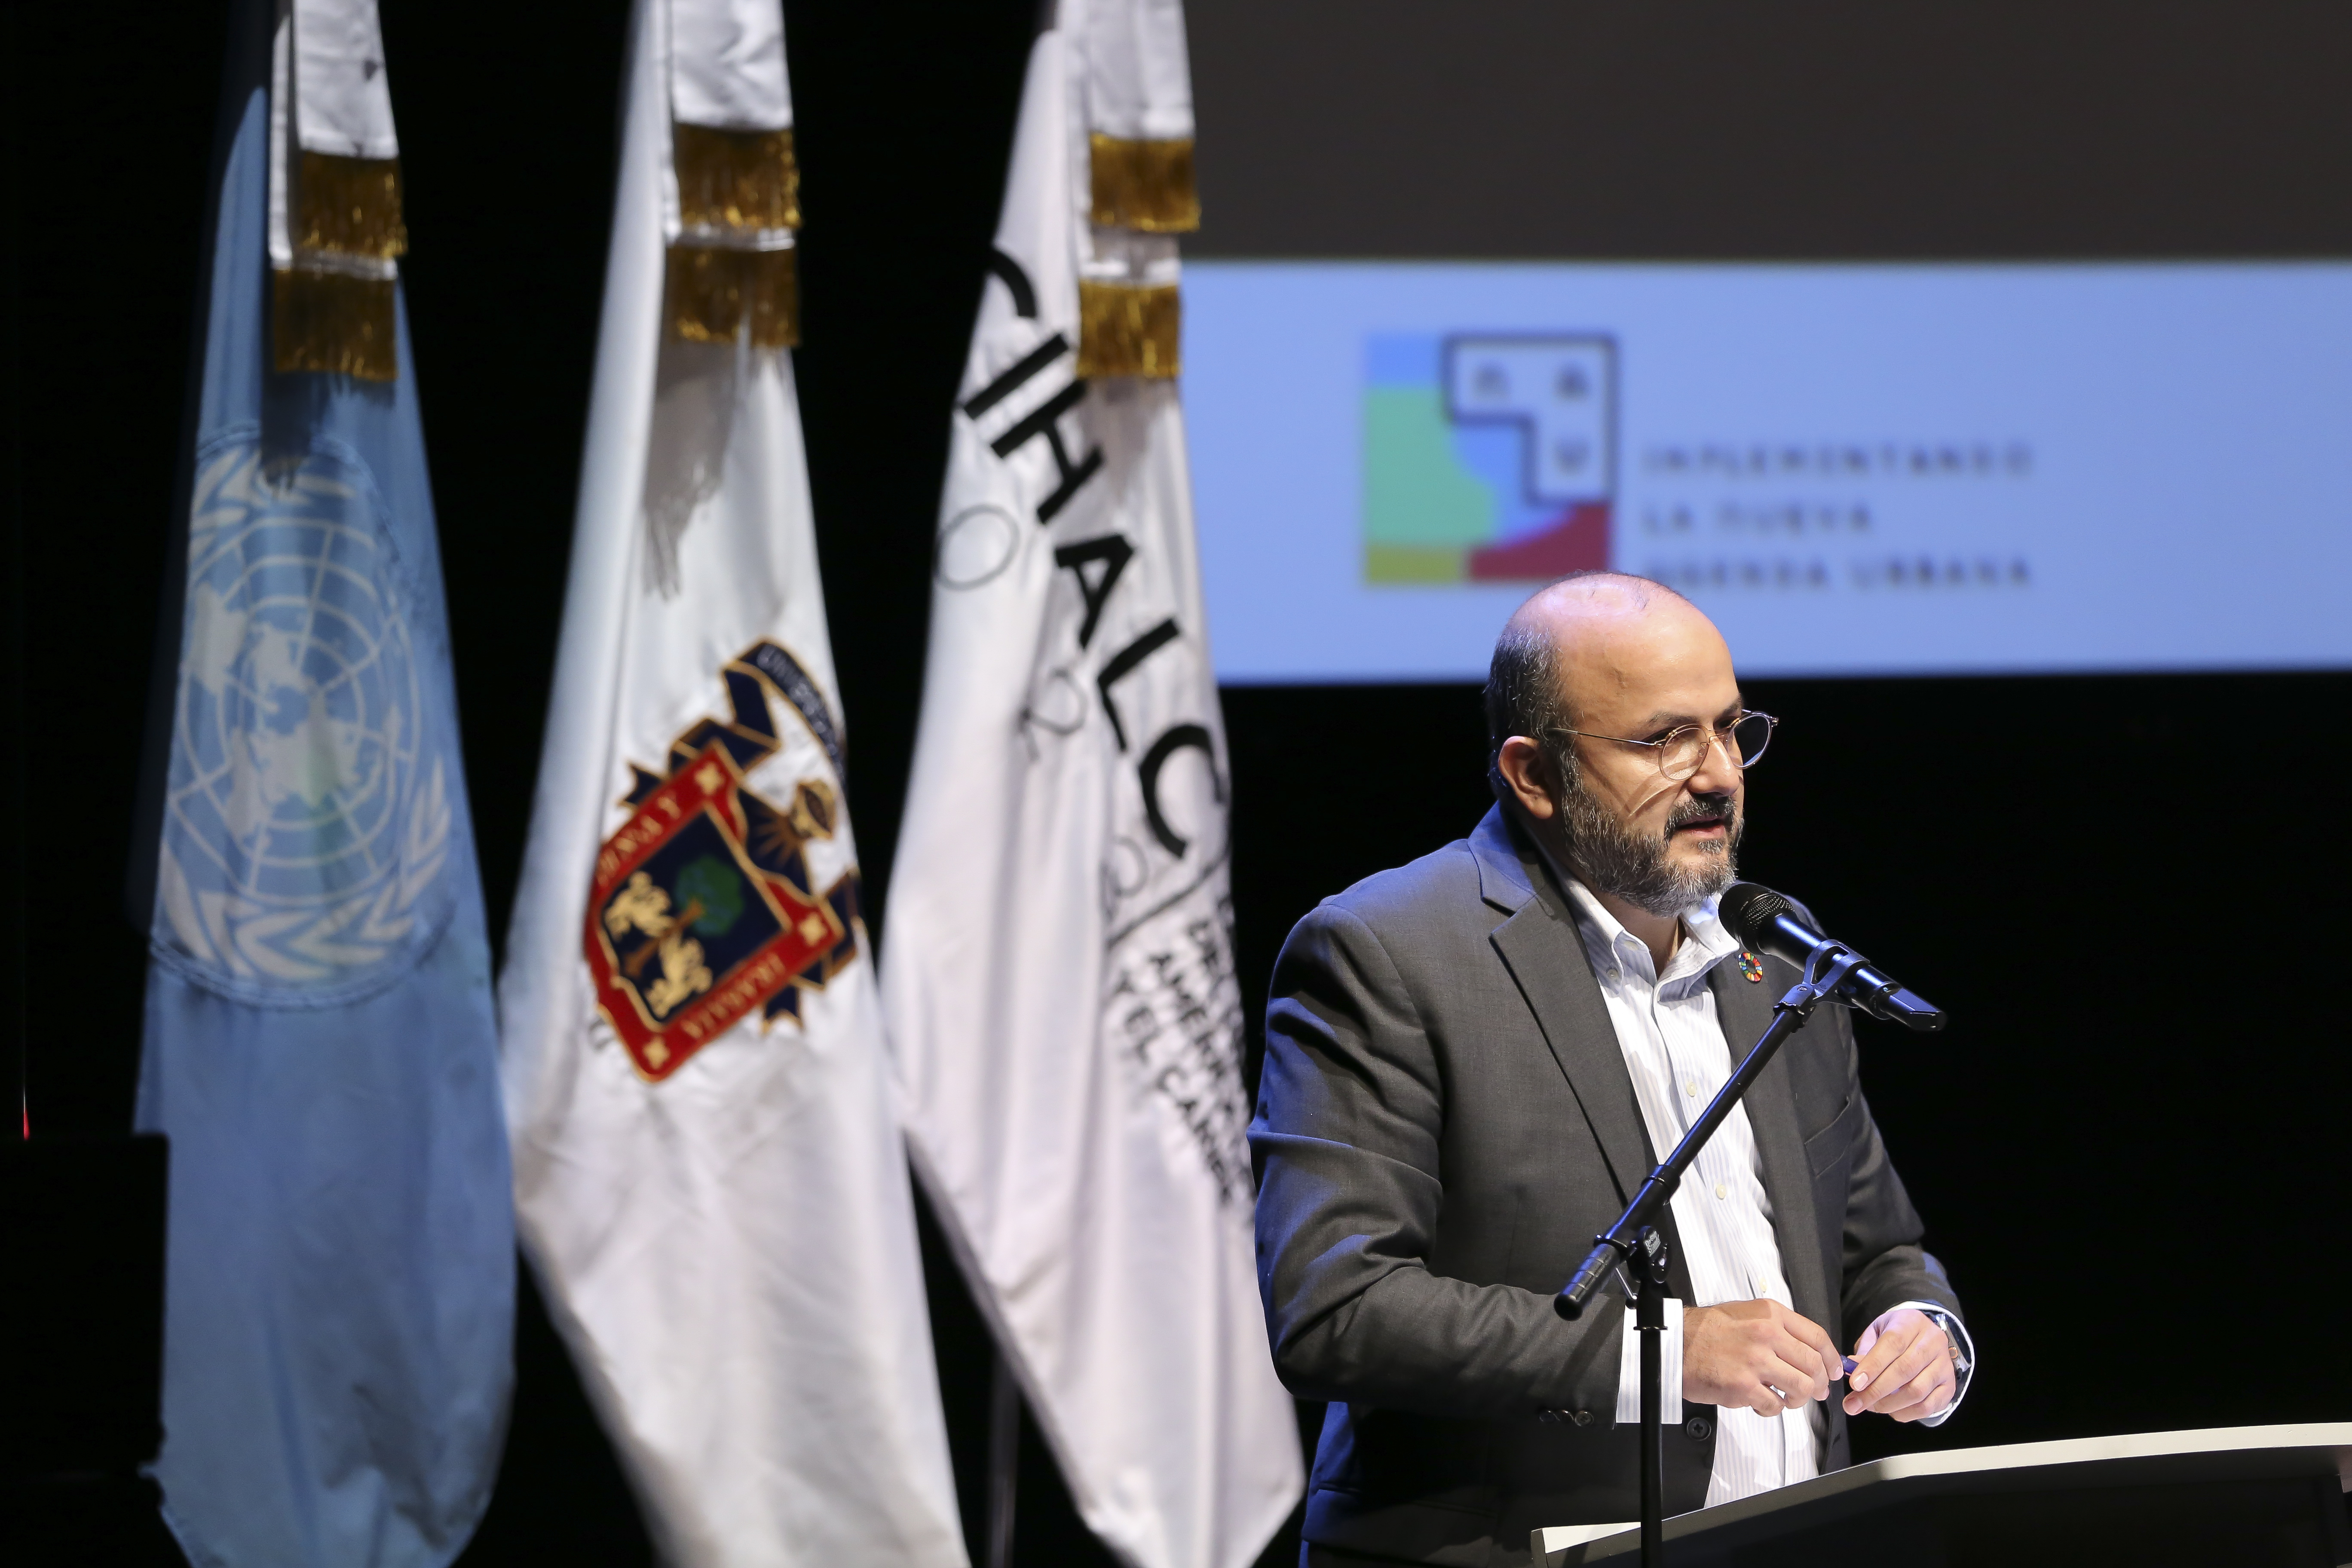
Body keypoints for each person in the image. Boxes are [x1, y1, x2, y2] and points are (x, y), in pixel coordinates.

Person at [1250, 573, 1974, 1567]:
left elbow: (1878, 1247)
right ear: (1534, 773)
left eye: (1731, 729)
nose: (1718, 775)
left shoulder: (1778, 955)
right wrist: (1666, 1355)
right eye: (1665, 740)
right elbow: (1336, 1309)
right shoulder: (1387, 953)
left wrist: (1920, 1328)